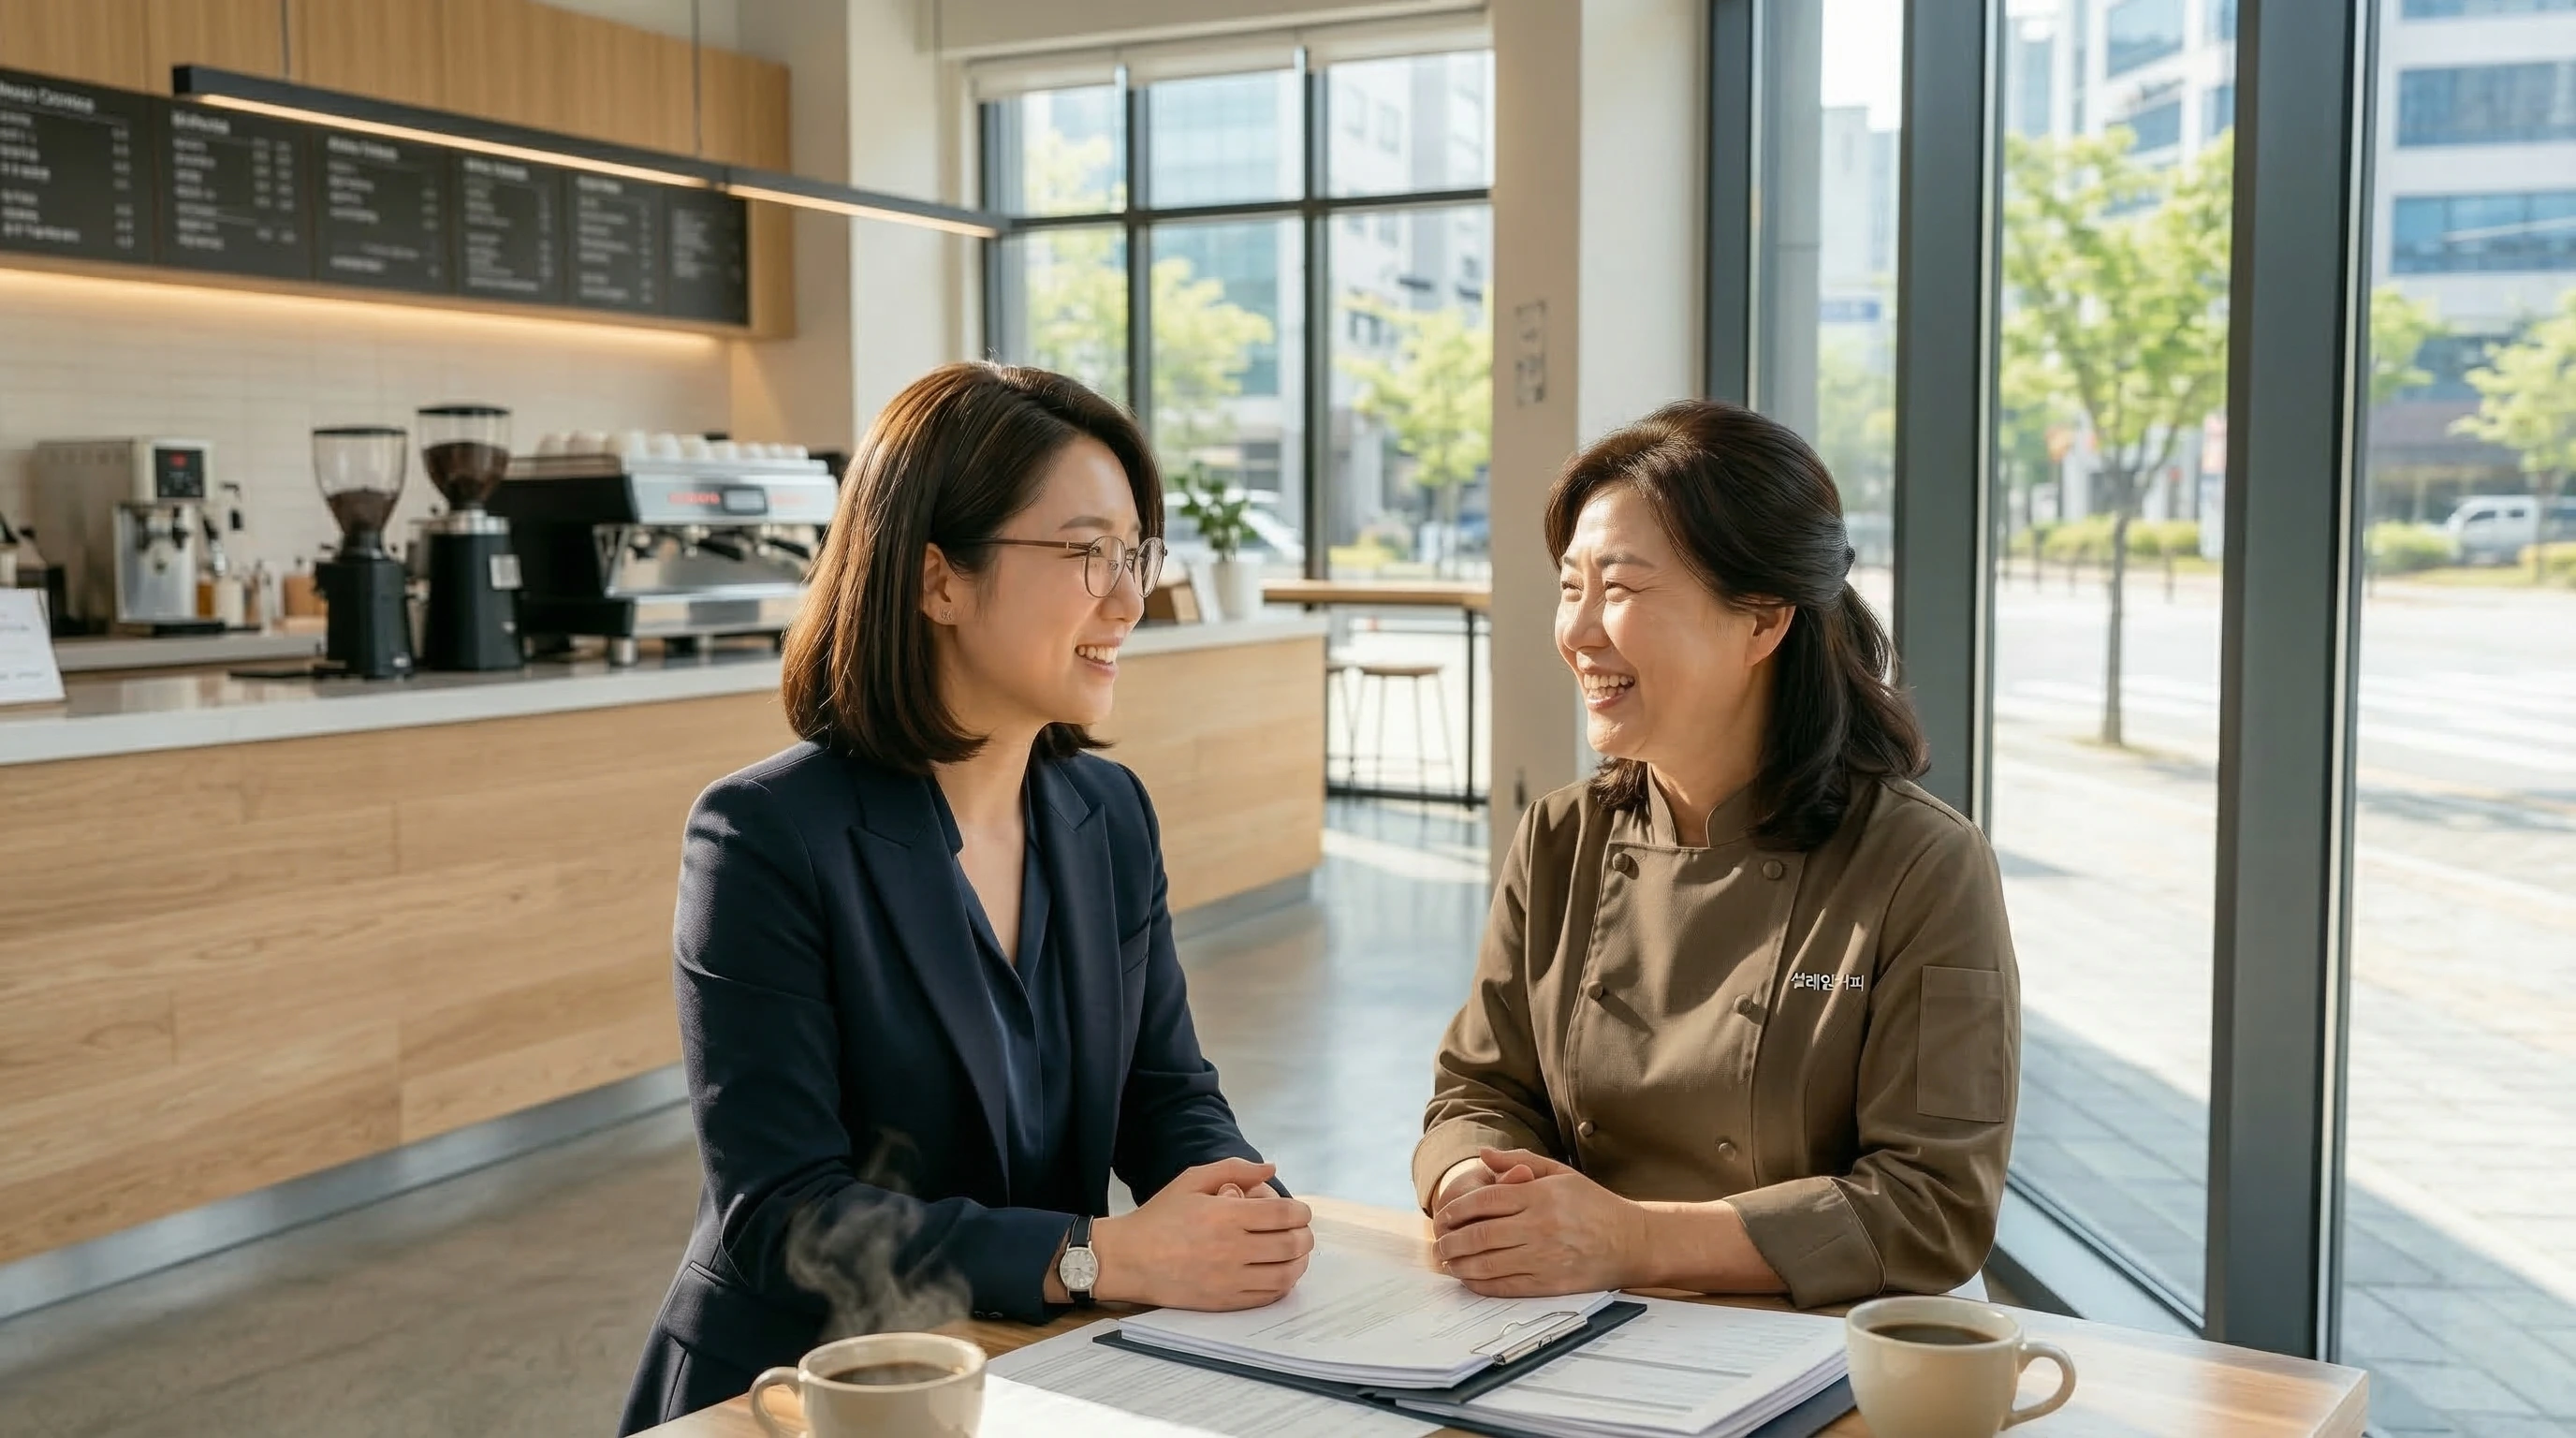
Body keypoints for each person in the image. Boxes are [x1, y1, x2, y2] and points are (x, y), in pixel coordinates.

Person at [621, 363, 1310, 1432]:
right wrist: (1094, 1254)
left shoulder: (1107, 813)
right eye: (1087, 554)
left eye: (1133, 554)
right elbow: (784, 1212)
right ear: (937, 579)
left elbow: (1162, 1090)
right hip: (796, 1392)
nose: (1129, 599)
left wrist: (1239, 1200)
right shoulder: (762, 836)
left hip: (1029, 1367)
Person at [1414, 399, 2019, 1310]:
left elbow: (1932, 1208)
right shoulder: (1559, 838)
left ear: (1761, 622)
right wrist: (1472, 1190)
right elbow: (1477, 1090)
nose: (1576, 633)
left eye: (1617, 588)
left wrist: (1630, 1239)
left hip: (1817, 1340)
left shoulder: (1920, 863)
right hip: (1573, 1318)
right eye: (1570, 586)